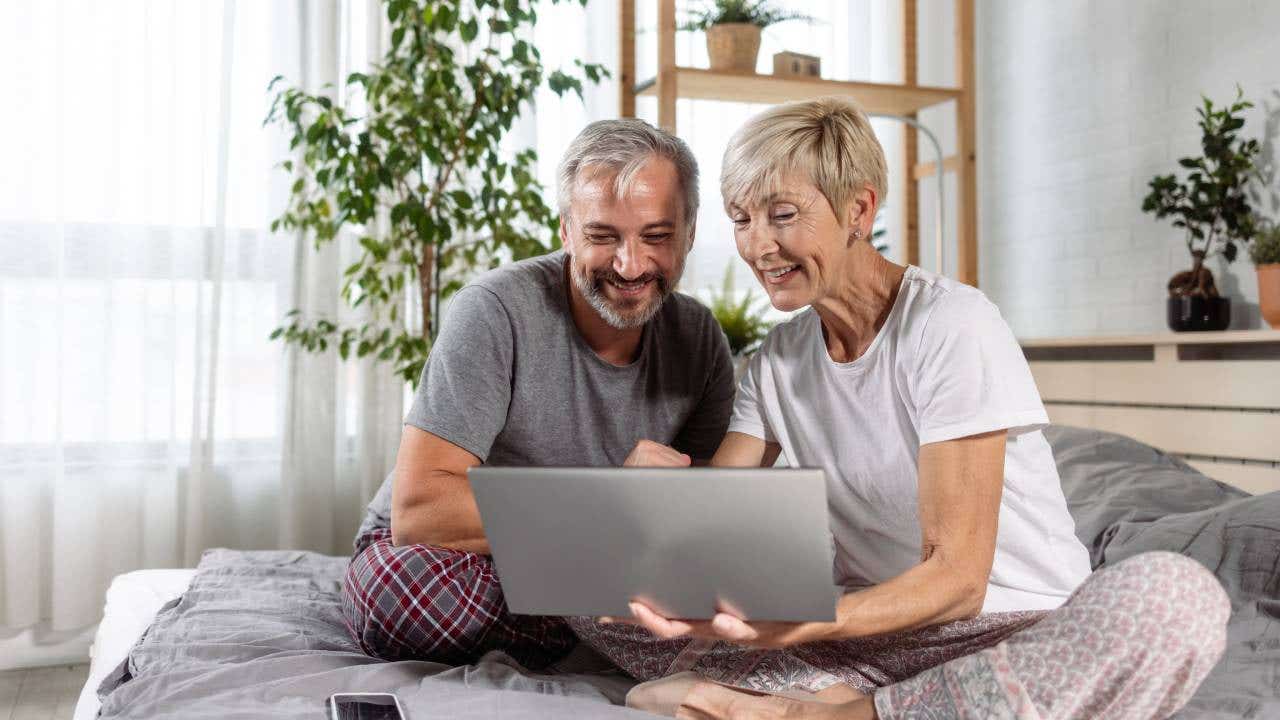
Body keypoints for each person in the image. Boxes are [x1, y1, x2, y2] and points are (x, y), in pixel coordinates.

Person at [570, 97, 1230, 719]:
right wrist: (655, 500)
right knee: (591, 586)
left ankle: (822, 709)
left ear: (859, 208)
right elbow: (713, 526)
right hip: (873, 642)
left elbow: (958, 582)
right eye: (741, 219)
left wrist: (812, 615)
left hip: (1005, 630)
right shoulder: (775, 362)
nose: (757, 246)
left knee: (1177, 599)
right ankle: (838, 699)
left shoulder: (950, 326)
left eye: (782, 215)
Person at [340, 118, 736, 668]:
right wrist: (610, 498)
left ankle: (591, 630)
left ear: (689, 233)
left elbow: (705, 519)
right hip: (458, 555)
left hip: (598, 562)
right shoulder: (494, 310)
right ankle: (603, 636)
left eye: (656, 236)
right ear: (566, 232)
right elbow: (420, 511)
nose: (630, 264)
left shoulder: (700, 340)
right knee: (401, 596)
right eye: (602, 236)